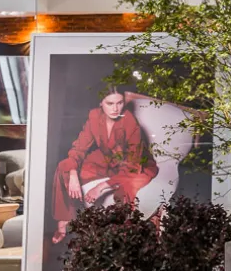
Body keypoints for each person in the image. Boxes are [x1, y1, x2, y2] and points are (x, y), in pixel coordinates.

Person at [49, 86, 158, 243]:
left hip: (136, 165)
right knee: (64, 166)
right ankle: (63, 221)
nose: (115, 109)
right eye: (110, 103)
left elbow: (132, 164)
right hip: (108, 161)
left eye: (120, 103)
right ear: (101, 103)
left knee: (127, 188)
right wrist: (73, 172)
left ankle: (121, 236)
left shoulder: (130, 122)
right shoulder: (94, 116)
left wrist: (101, 187)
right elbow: (79, 148)